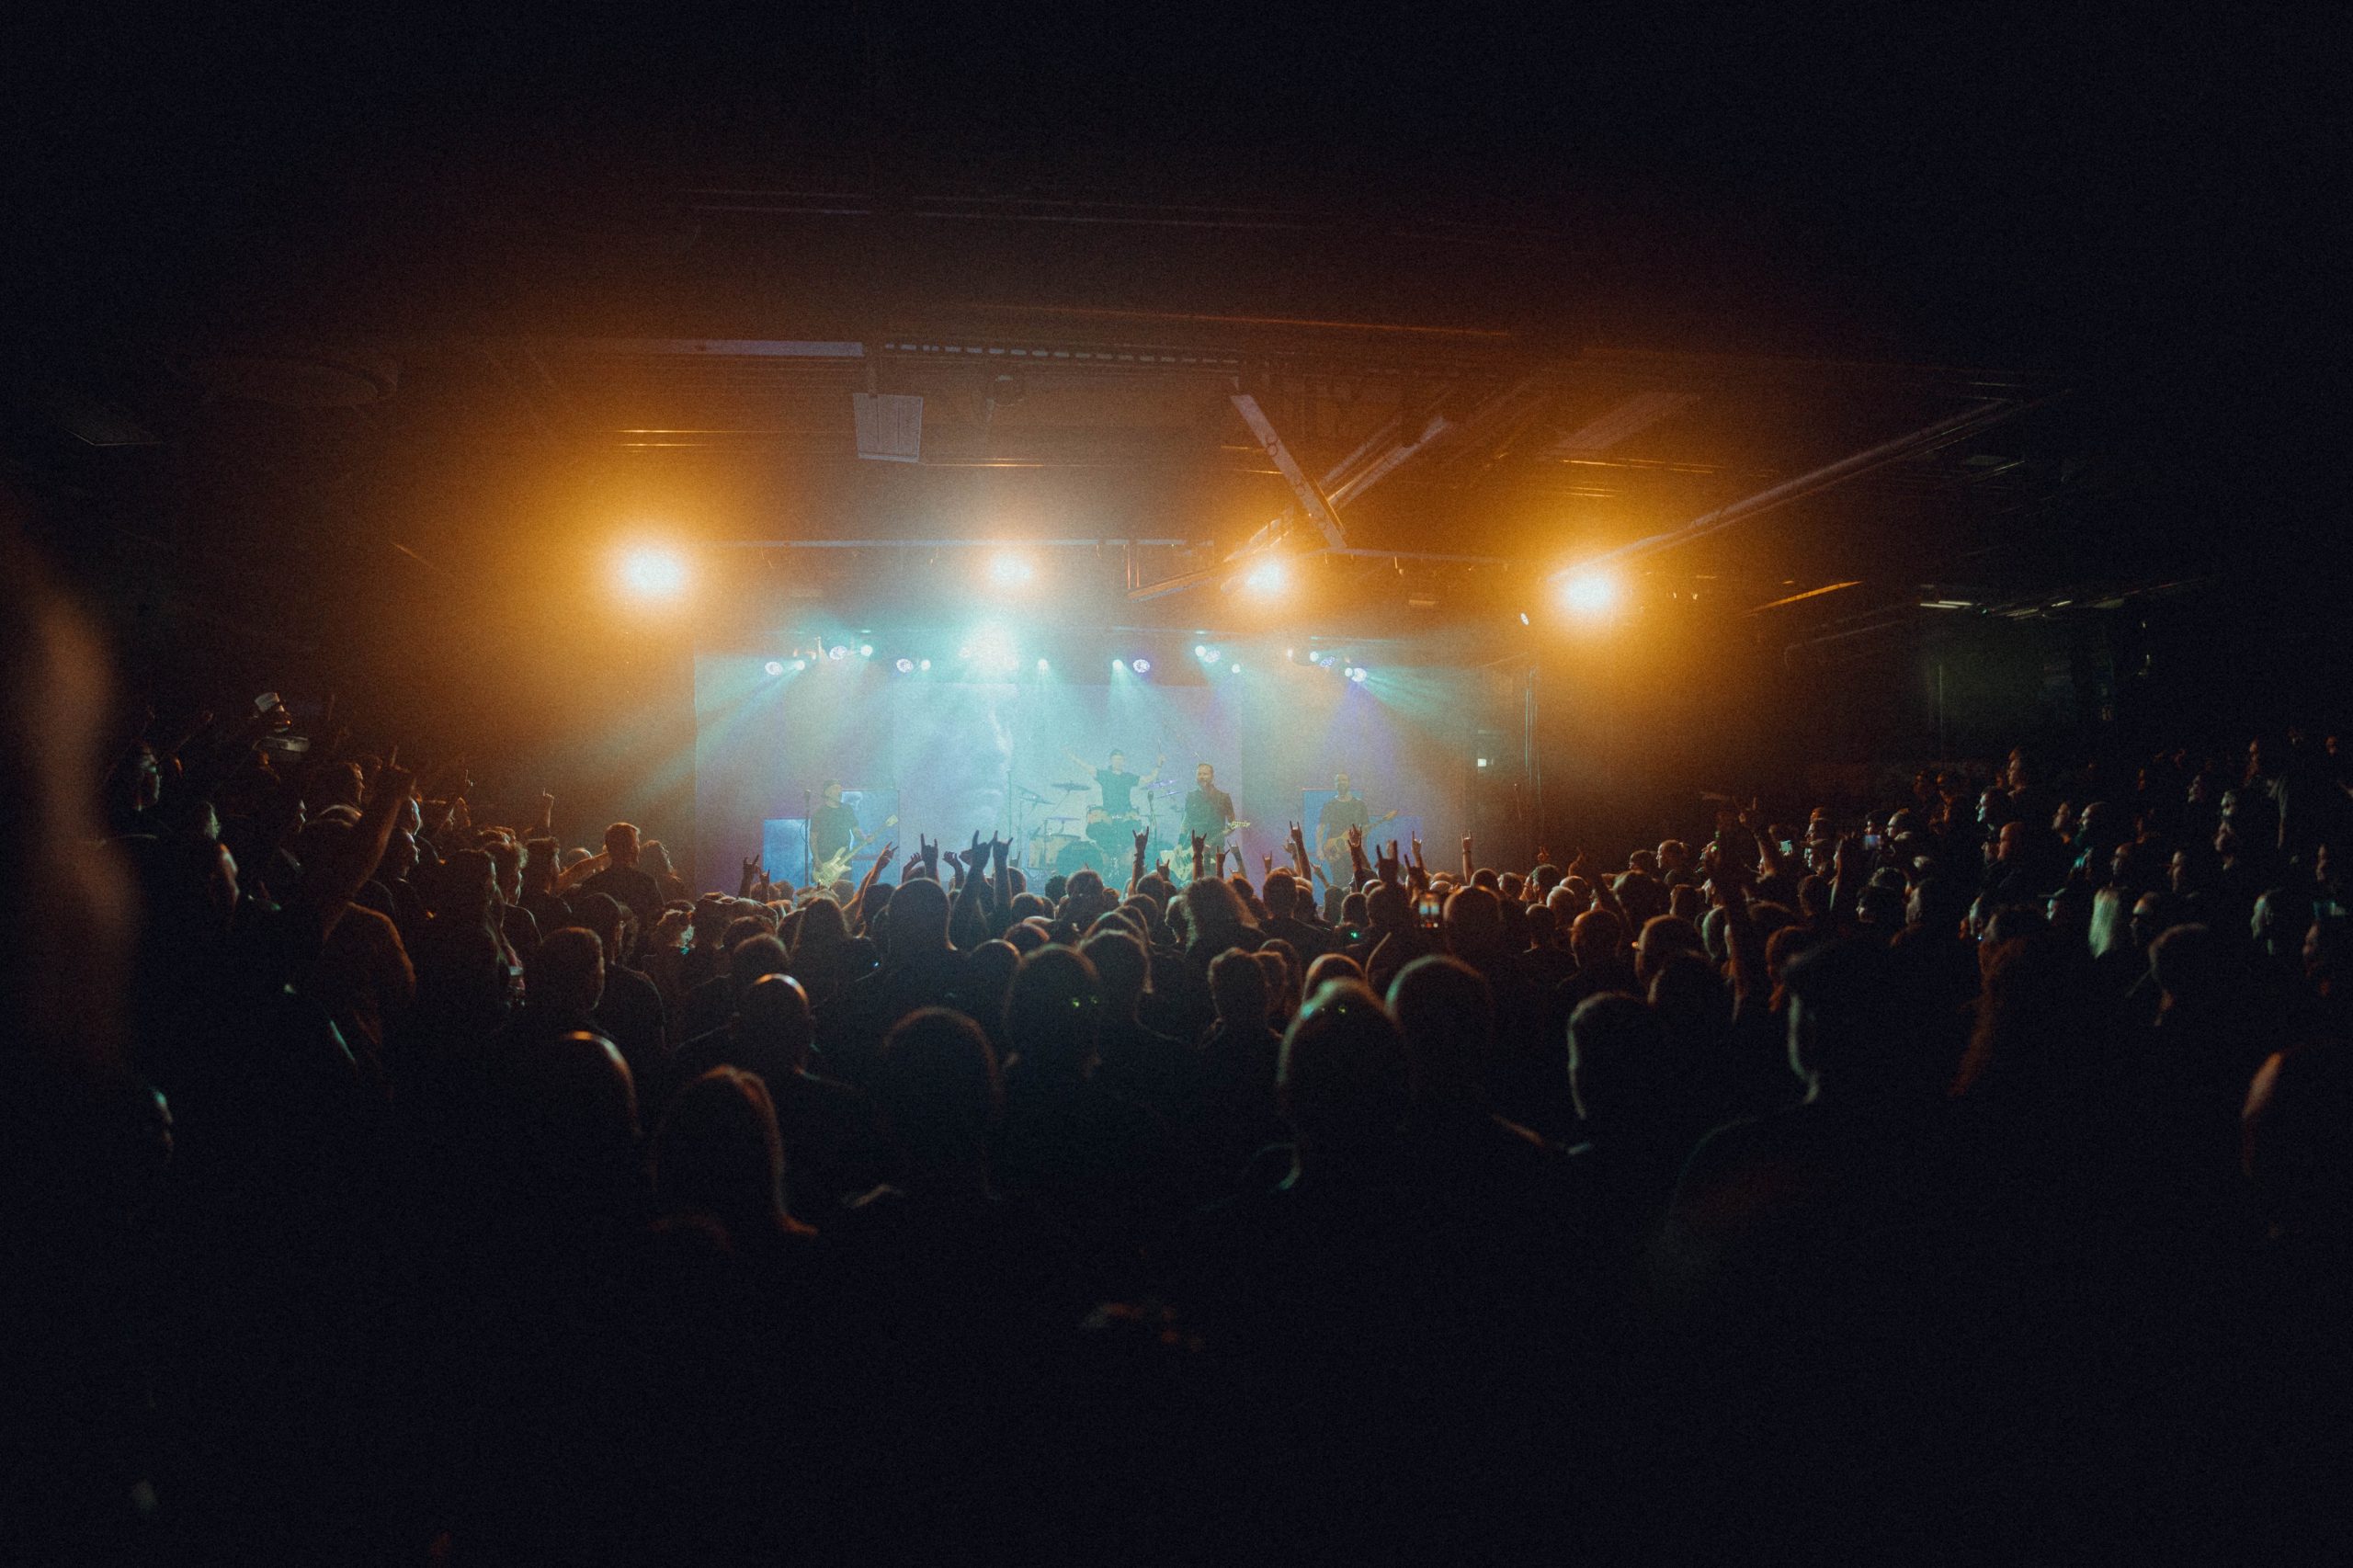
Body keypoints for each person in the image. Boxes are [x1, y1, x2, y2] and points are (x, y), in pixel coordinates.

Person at [578, 822, 663, 930]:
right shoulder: (646, 883)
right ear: (631, 848)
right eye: (637, 843)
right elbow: (659, 922)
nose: (639, 848)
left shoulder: (591, 884)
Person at [1064, 746, 1161, 819]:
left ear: (1124, 761)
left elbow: (1149, 778)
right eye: (1115, 759)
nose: (1118, 762)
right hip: (1109, 815)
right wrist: (1072, 757)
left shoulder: (1128, 777)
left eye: (1120, 759)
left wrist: (1159, 765)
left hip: (1126, 815)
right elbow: (1087, 767)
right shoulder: (1105, 775)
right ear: (1111, 761)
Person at [1181, 762, 1239, 853]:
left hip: (1214, 849)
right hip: (1192, 848)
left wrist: (1215, 839)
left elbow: (1232, 824)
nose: (1202, 777)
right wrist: (1180, 844)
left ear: (1212, 777)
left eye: (1205, 774)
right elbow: (1185, 822)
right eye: (1199, 774)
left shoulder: (1223, 798)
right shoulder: (1191, 796)